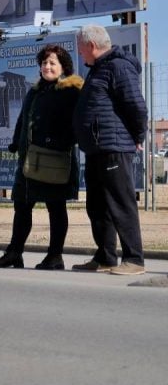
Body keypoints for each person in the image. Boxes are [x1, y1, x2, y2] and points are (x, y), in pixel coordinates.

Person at [0, 44, 82, 270]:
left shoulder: (71, 91)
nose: (47, 67)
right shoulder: (35, 90)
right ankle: (14, 253)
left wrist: (56, 142)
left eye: (52, 63)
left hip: (55, 160)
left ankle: (55, 256)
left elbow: (77, 124)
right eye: (44, 63)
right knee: (21, 205)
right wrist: (16, 142)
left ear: (63, 67)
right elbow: (23, 119)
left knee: (56, 208)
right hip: (29, 160)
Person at [72, 24, 148, 275]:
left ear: (91, 46)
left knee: (120, 203)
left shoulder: (118, 66)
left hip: (114, 147)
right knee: (97, 206)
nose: (80, 54)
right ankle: (105, 257)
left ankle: (134, 259)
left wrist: (139, 136)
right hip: (96, 149)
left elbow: (136, 105)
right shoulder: (99, 69)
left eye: (80, 49)